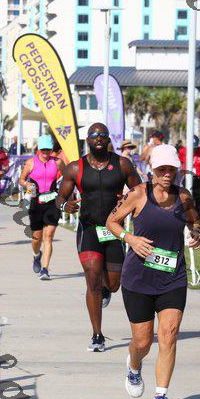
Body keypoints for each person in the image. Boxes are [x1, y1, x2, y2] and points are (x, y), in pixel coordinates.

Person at [106, 144, 200, 399]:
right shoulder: (138, 194)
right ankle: (134, 366)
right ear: (152, 171)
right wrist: (130, 239)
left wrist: (196, 233)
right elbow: (111, 222)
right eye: (162, 169)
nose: (167, 174)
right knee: (143, 341)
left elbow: (195, 221)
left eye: (172, 169)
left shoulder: (183, 196)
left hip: (173, 277)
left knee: (169, 335)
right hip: (138, 279)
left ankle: (161, 396)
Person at [56, 122, 141, 352]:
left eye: (103, 135)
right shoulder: (75, 168)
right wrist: (65, 205)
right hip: (89, 228)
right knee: (92, 278)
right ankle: (97, 335)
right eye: (94, 135)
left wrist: (131, 205)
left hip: (113, 230)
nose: (99, 138)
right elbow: (60, 198)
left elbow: (139, 192)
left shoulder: (122, 164)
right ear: (88, 140)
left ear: (108, 139)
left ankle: (106, 288)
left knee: (113, 284)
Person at [19, 135, 64, 280]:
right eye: (43, 149)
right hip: (36, 203)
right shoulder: (31, 162)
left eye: (48, 150)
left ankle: (45, 270)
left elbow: (68, 178)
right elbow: (21, 179)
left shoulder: (57, 162)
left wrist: (64, 194)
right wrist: (27, 184)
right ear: (39, 149)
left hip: (52, 203)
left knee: (48, 237)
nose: (45, 152)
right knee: (36, 239)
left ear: (51, 149)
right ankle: (36, 255)